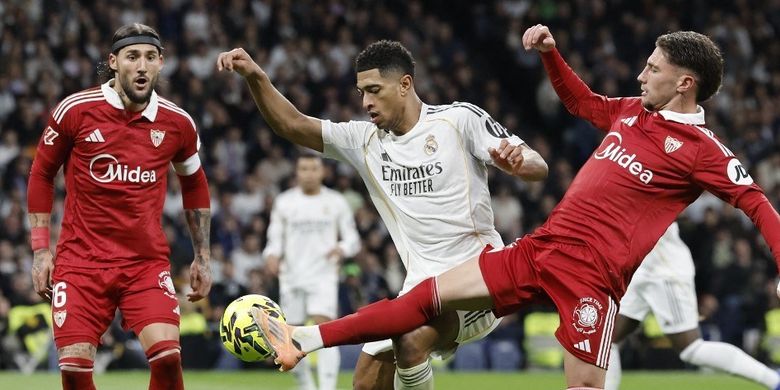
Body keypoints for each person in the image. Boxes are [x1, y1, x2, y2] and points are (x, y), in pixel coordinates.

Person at [244, 25, 780, 390]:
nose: (641, 75)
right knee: (422, 298)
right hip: (543, 247)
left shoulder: (703, 150)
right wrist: (550, 53)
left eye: (652, 68)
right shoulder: (631, 113)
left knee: (586, 384)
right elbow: (580, 102)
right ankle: (305, 338)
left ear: (684, 83)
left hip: (593, 277)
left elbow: (757, 205)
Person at [216, 40, 548, 390]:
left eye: (374, 90)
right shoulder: (364, 141)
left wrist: (518, 164)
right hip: (417, 286)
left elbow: (538, 165)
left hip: (477, 279)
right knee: (365, 382)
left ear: (405, 84)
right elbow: (293, 125)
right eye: (361, 92)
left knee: (412, 339)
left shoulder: (458, 120)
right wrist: (256, 77)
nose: (365, 103)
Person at [27, 23, 212, 390]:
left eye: (149, 57)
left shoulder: (177, 123)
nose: (141, 66)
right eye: (132, 57)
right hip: (80, 263)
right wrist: (39, 251)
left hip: (143, 263)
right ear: (114, 62)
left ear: (161, 63)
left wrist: (202, 255)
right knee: (75, 373)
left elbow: (194, 183)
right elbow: (41, 174)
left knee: (168, 359)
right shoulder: (76, 111)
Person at [605, 222, 780, 389]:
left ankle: (774, 381)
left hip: (662, 269)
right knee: (607, 340)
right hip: (638, 266)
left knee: (691, 348)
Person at [263, 154, 361, 390]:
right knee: (291, 336)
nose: (308, 173)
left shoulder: (336, 201)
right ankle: (306, 386)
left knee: (324, 327)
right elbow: (274, 238)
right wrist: (272, 255)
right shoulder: (285, 202)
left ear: (322, 172)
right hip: (292, 276)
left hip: (323, 275)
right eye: (303, 168)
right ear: (296, 172)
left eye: (313, 168)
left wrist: (342, 248)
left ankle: (327, 387)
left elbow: (353, 239)